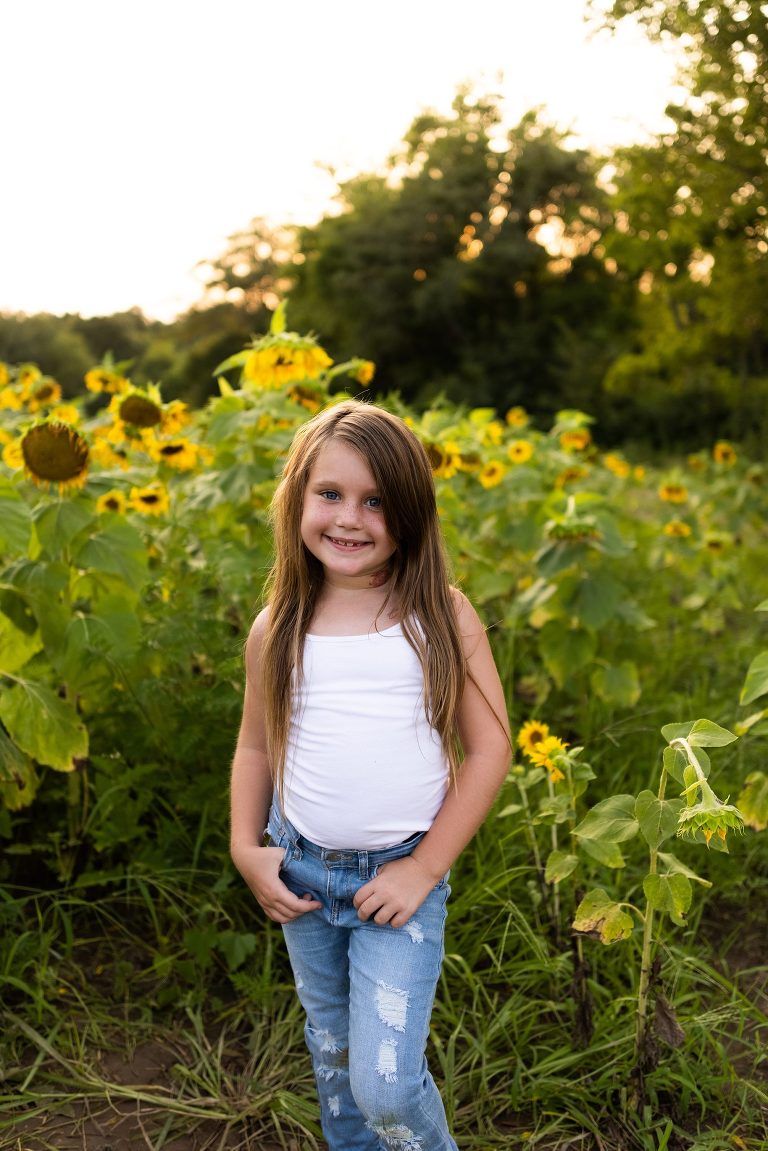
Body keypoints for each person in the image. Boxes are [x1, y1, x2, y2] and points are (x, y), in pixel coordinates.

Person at [230, 399, 511, 1151]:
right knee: (334, 1057)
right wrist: (245, 846)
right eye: (330, 494)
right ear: (298, 498)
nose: (350, 518)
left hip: (400, 882)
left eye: (376, 499)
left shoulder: (441, 617)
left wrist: (424, 867)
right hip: (302, 874)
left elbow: (489, 750)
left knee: (385, 1084)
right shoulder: (278, 624)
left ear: (410, 511)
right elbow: (256, 747)